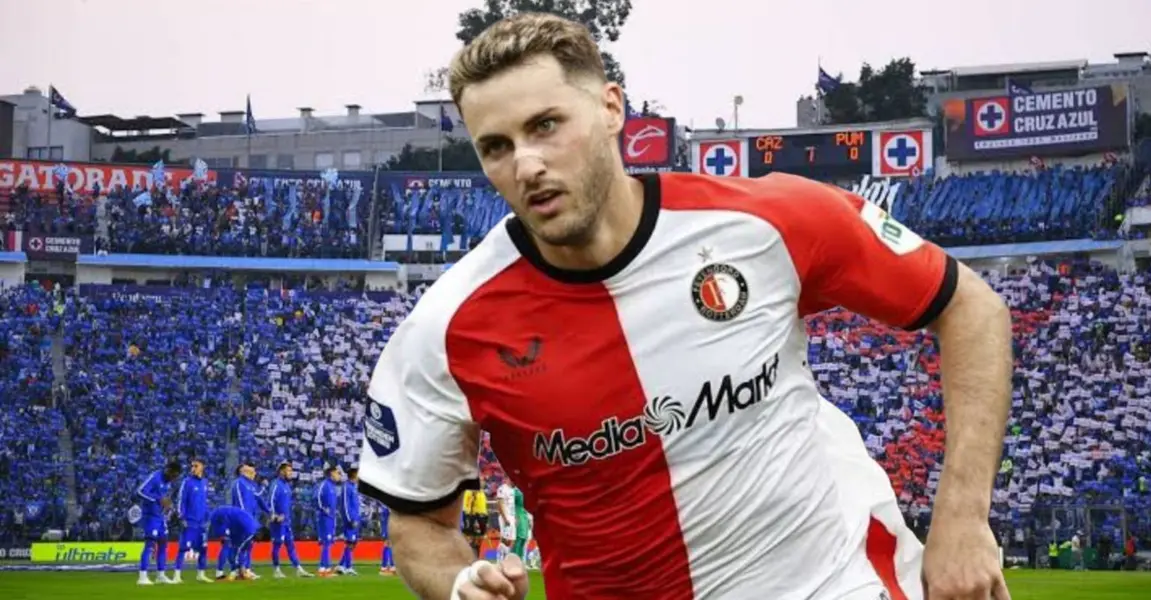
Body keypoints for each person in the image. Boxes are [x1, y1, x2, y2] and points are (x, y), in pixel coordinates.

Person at [358, 12, 1013, 600]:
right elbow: (418, 522)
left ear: (612, 107)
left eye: (546, 126)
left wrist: (962, 514)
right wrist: (457, 584)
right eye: (496, 147)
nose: (525, 164)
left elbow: (972, 308)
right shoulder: (444, 328)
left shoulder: (766, 221)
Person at [134, 461, 182, 586]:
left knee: (163, 544)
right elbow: (139, 491)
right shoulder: (155, 477)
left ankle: (161, 575)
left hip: (160, 517)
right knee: (150, 544)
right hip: (150, 517)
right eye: (174, 475)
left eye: (176, 476)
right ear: (168, 470)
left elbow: (164, 499)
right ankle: (142, 576)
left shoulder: (168, 482)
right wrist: (158, 499)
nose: (174, 478)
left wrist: (168, 507)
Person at [267, 462, 313, 578]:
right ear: (282, 472)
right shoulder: (276, 484)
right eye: (289, 471)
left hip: (286, 521)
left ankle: (298, 568)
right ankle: (276, 570)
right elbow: (271, 500)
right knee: (277, 544)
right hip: (278, 521)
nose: (291, 473)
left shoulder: (287, 486)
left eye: (291, 471)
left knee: (291, 545)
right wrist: (274, 515)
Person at [171, 458, 213, 583]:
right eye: (192, 466)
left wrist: (208, 517)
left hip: (202, 522)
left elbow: (206, 502)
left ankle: (201, 574)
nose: (193, 468)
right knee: (184, 547)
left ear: (202, 467)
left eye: (196, 466)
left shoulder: (205, 483)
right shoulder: (187, 482)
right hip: (190, 521)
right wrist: (182, 516)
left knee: (203, 548)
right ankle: (177, 575)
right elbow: (181, 500)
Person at [229, 462, 266, 579]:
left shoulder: (252, 485)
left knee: (249, 545)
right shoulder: (239, 483)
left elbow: (259, 498)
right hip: (243, 519)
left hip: (251, 518)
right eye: (251, 472)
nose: (254, 474)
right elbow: (240, 502)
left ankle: (246, 569)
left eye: (254, 472)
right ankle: (238, 569)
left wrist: (269, 511)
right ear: (244, 472)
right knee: (240, 545)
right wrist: (244, 517)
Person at [207, 505, 259, 581]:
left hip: (230, 521)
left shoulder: (252, 528)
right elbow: (240, 550)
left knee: (233, 546)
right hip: (220, 517)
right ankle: (219, 574)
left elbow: (240, 549)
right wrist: (241, 567)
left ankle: (236, 572)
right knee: (227, 545)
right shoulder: (250, 531)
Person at [315, 466, 342, 577]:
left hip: (331, 518)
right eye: (337, 473)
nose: (339, 475)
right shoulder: (324, 484)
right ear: (331, 473)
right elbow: (316, 497)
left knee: (328, 542)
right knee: (326, 542)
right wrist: (323, 509)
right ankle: (323, 568)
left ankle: (325, 567)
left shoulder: (333, 486)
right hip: (324, 518)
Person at [336, 467, 363, 575]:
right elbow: (345, 505)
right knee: (350, 542)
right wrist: (349, 519)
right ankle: (349, 567)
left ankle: (341, 565)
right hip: (350, 520)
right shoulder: (347, 487)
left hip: (355, 518)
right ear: (354, 475)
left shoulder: (354, 487)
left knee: (353, 542)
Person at [461, 484, 489, 560]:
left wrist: (484, 514)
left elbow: (483, 506)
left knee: (480, 536)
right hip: (470, 515)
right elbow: (466, 505)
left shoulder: (481, 493)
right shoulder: (468, 493)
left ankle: (477, 554)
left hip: (481, 515)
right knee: (469, 535)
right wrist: (468, 512)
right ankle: (468, 554)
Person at [379, 502, 396, 575]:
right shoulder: (388, 506)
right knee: (388, 545)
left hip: (387, 527)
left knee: (389, 546)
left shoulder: (384, 505)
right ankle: (386, 567)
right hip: (388, 527)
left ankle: (388, 566)